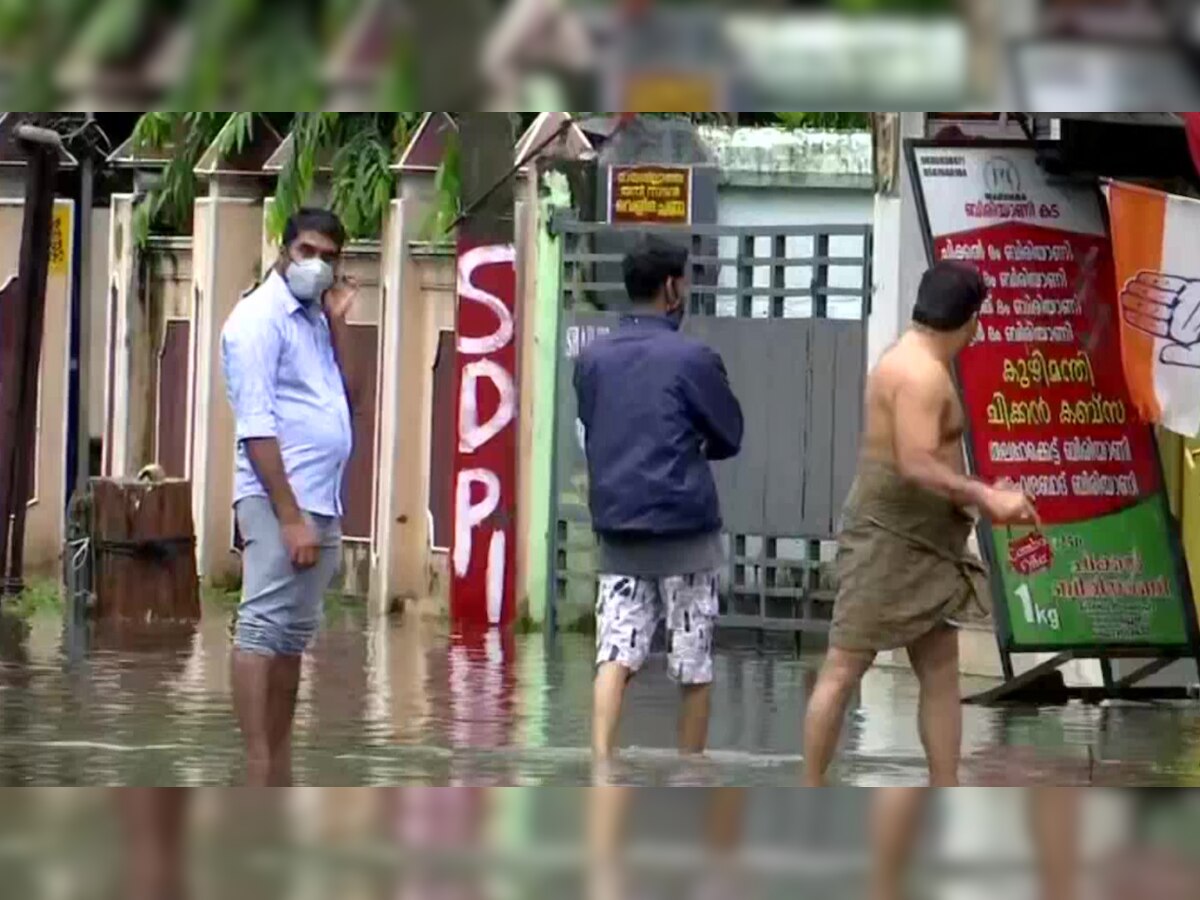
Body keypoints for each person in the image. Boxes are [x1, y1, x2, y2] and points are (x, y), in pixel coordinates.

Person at [803, 260, 1038, 788]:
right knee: (844, 667)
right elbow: (915, 461)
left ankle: (944, 785)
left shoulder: (911, 356)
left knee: (939, 668)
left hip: (930, 538)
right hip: (890, 533)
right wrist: (984, 495)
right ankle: (810, 789)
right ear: (973, 319)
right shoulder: (920, 373)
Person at [575, 234, 744, 764]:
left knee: (615, 655)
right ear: (673, 287)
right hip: (685, 533)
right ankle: (689, 776)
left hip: (618, 529)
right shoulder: (693, 357)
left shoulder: (593, 358)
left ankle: (601, 765)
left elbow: (592, 423)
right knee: (693, 666)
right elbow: (730, 434)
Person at [220, 207, 359, 786]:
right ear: (284, 251)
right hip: (280, 501)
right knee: (259, 630)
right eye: (308, 253)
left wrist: (341, 325)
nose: (319, 266)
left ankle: (279, 765)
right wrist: (289, 515)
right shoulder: (257, 320)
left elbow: (350, 394)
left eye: (330, 258)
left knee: (292, 638)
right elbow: (256, 426)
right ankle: (257, 764)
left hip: (320, 501)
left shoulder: (316, 321)